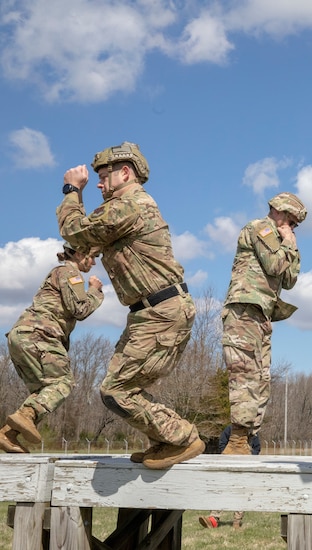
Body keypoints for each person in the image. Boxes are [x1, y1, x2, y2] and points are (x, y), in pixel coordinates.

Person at [58, 141, 204, 469]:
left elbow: (75, 229)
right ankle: (164, 442)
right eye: (94, 178)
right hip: (149, 312)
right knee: (123, 386)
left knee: (116, 390)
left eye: (104, 176)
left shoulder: (130, 204)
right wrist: (78, 255)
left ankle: (181, 437)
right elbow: (85, 243)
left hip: (160, 312)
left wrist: (71, 189)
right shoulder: (124, 209)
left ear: (125, 173)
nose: (98, 183)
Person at [220, 193, 305, 455]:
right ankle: (236, 441)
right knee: (245, 375)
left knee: (261, 379)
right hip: (245, 309)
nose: (292, 228)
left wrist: (290, 245)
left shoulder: (281, 240)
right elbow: (276, 264)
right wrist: (289, 244)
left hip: (262, 315)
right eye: (291, 221)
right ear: (280, 212)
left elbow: (290, 279)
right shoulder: (262, 228)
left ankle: (247, 439)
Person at [0, 242, 103, 453]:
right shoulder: (69, 272)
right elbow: (79, 309)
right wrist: (94, 291)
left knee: (44, 391)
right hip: (40, 334)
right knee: (63, 383)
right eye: (93, 256)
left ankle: (7, 434)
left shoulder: (59, 273)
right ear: (79, 253)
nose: (94, 262)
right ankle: (25, 416)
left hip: (22, 335)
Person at [199, 425, 261, 530]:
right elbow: (222, 444)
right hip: (228, 466)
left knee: (241, 493)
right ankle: (213, 520)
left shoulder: (252, 433)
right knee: (221, 490)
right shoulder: (229, 429)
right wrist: (229, 458)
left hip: (244, 468)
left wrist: (248, 456)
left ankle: (237, 521)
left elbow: (257, 449)